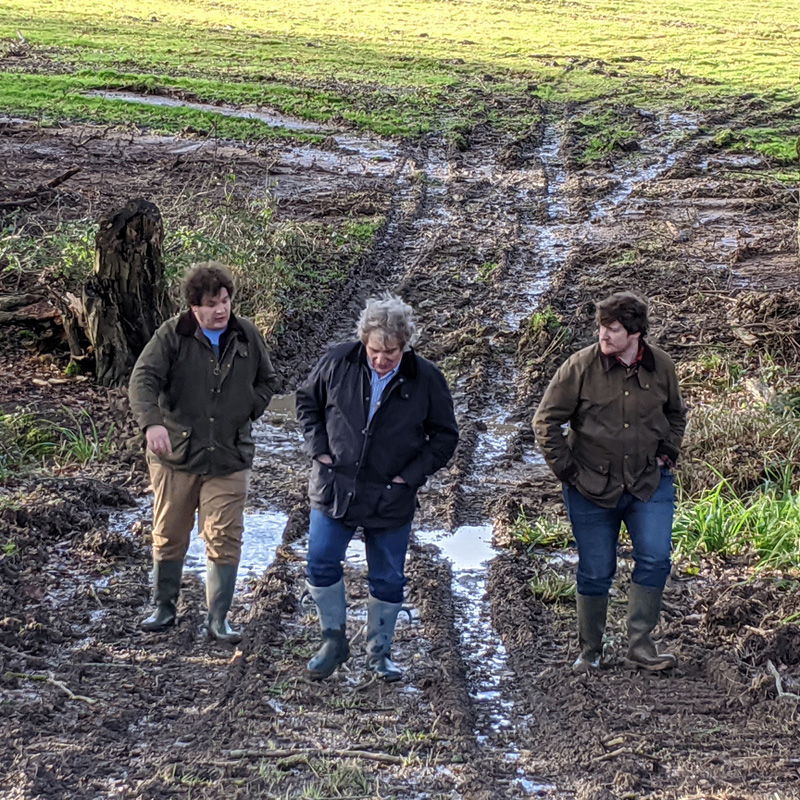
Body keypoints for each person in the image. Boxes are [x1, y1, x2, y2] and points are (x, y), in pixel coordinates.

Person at [296, 294, 458, 682]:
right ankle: (332, 642)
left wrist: (410, 476)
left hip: (391, 495)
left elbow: (445, 437)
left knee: (387, 578)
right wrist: (319, 450)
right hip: (336, 487)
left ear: (406, 345)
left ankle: (379, 653)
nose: (381, 359)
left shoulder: (427, 379)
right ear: (363, 341)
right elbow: (306, 402)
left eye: (390, 352)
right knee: (320, 562)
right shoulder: (337, 361)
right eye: (374, 350)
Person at [532, 292, 687, 673]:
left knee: (655, 558)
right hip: (589, 488)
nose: (603, 334)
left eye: (613, 329)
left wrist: (668, 451)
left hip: (648, 483)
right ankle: (591, 651)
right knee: (596, 569)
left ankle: (641, 645)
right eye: (601, 327)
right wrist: (567, 471)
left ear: (635, 333)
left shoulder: (661, 366)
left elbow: (677, 414)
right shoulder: (580, 367)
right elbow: (545, 421)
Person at [129, 262, 279, 643]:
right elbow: (143, 379)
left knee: (225, 534)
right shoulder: (172, 336)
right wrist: (153, 424)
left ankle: (219, 619)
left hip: (229, 455)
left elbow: (268, 380)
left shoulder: (246, 335)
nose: (220, 309)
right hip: (176, 456)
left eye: (225, 300)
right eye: (211, 303)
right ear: (194, 306)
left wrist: (249, 406)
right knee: (170, 532)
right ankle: (164, 607)